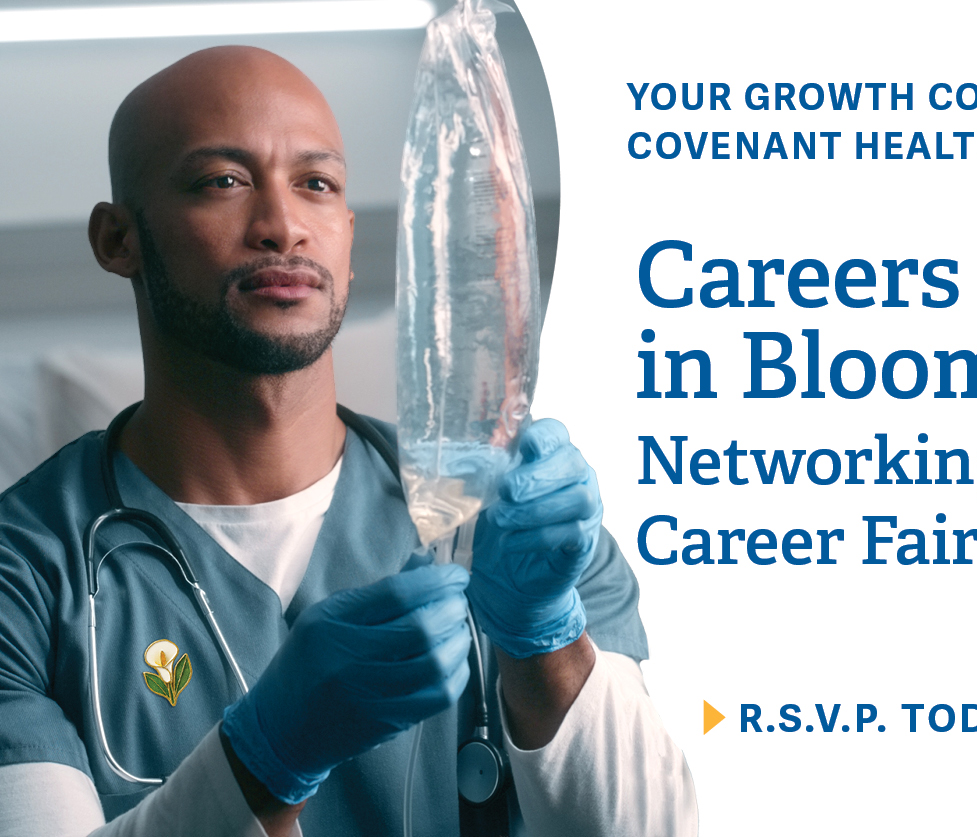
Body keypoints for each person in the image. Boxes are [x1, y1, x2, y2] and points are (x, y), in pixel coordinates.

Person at [0, 46, 696, 836]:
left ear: (348, 234)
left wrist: (545, 641)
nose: (283, 226)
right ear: (117, 239)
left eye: (316, 185)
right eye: (223, 181)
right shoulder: (25, 569)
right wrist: (264, 759)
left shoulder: (512, 528)